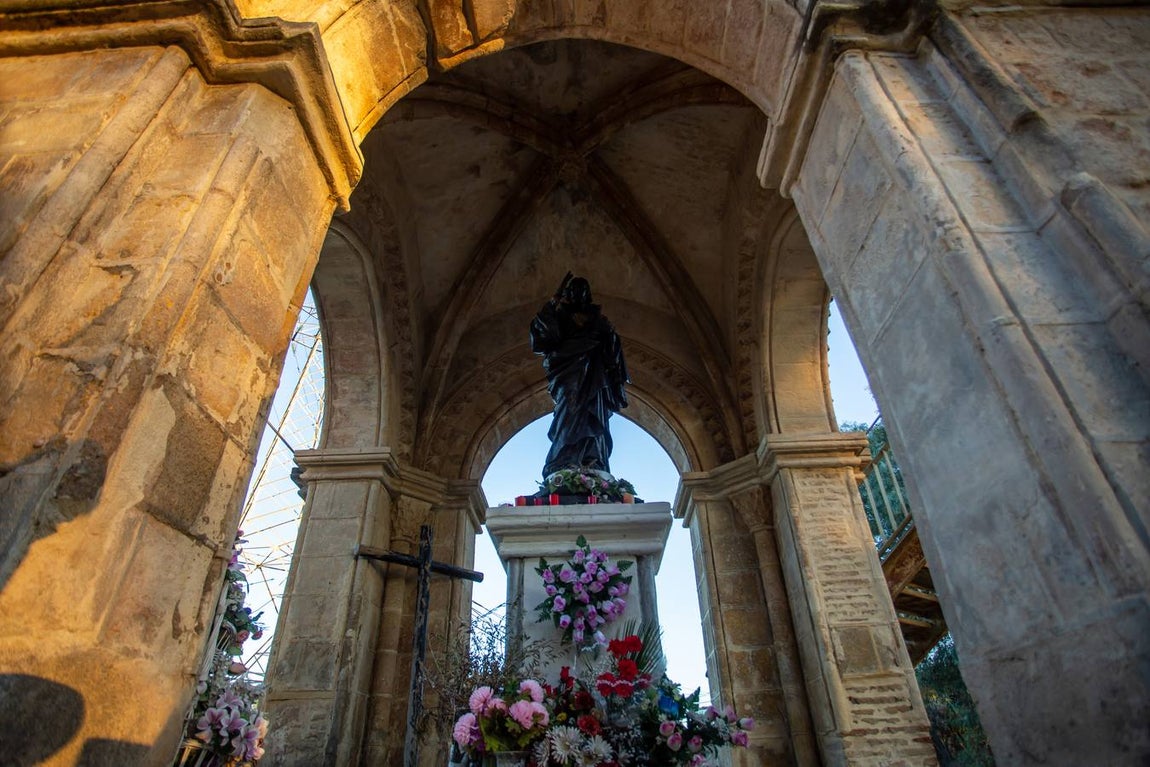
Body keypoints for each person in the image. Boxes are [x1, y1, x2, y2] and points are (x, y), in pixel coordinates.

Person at [530, 274, 629, 480]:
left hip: (595, 376)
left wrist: (610, 334)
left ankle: (593, 458)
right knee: (568, 412)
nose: (578, 295)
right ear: (568, 294)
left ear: (588, 294)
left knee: (594, 415)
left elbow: (612, 356)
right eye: (573, 291)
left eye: (582, 291)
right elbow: (544, 340)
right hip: (567, 373)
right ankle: (563, 460)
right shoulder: (560, 316)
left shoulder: (598, 320)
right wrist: (551, 304)